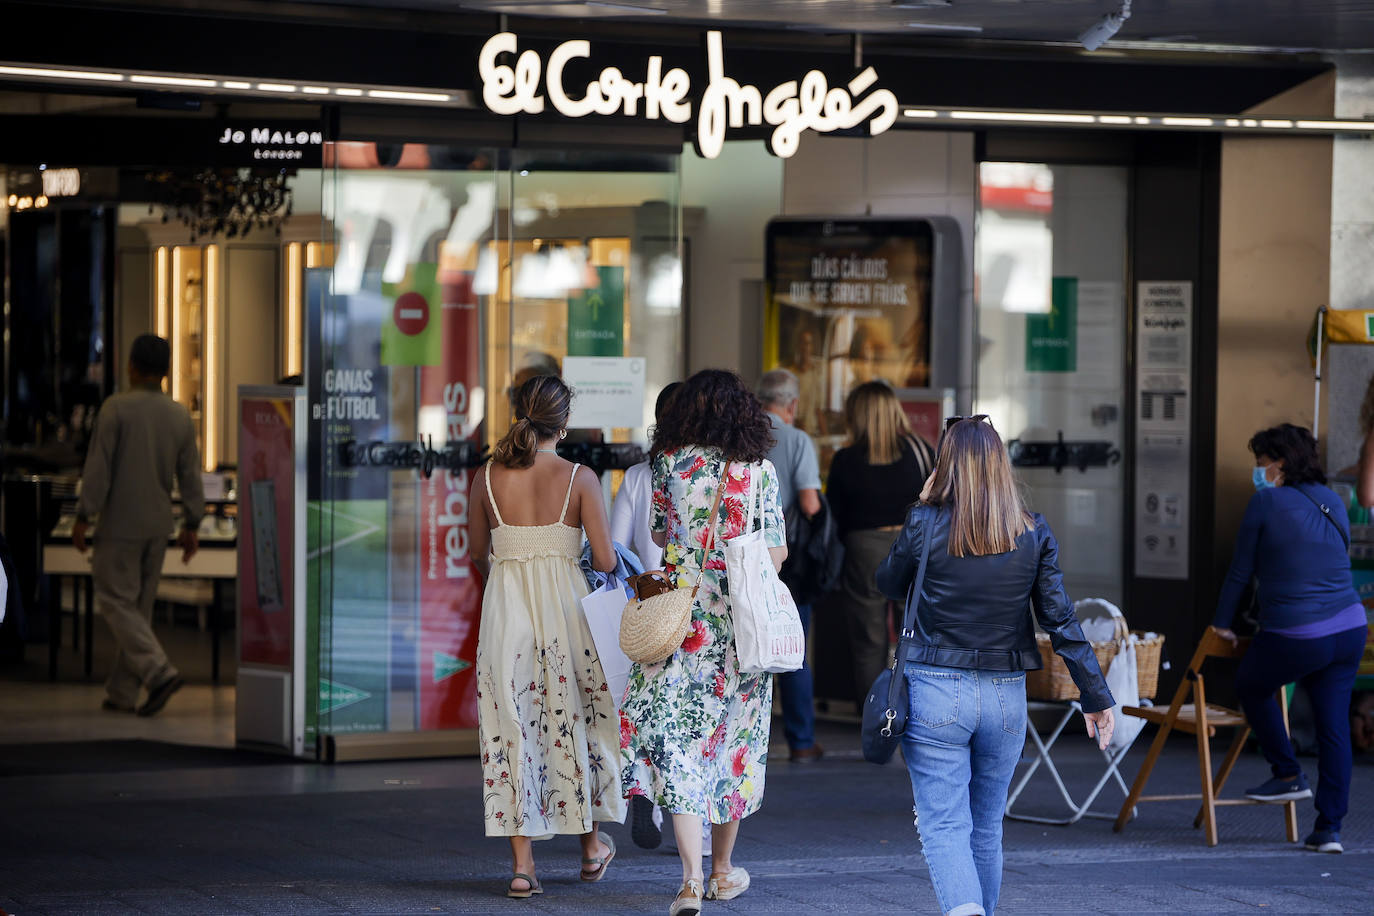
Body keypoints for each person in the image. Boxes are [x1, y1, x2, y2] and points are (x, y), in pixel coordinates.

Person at [877, 416, 1114, 916]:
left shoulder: (926, 521)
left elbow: (888, 582)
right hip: (1005, 697)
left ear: (946, 468)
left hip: (935, 690)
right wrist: (1095, 695)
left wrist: (920, 508)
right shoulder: (1031, 532)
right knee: (986, 826)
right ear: (999, 466)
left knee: (944, 826)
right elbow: (1061, 619)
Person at [620, 369, 787, 916]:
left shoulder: (669, 464)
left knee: (679, 745)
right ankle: (722, 871)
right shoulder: (758, 472)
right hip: (739, 627)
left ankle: (689, 881)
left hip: (680, 625)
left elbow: (664, 537)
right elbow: (776, 553)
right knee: (733, 747)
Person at [469, 375, 623, 898]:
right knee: (574, 719)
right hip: (566, 615)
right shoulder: (581, 477)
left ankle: (522, 866)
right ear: (565, 420)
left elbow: (476, 552)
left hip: (505, 614)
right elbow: (604, 560)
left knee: (509, 727)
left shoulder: (486, 476)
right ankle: (589, 848)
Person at [1214, 423, 1368, 855]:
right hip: (1350, 628)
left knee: (1251, 684)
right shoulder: (1334, 499)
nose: (1257, 471)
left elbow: (1240, 571)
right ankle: (1329, 829)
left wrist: (1222, 624)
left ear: (1279, 464)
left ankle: (1286, 772)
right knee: (1333, 726)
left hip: (1299, 632)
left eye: (1261, 463)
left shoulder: (1265, 502)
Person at [72, 334, 203, 717]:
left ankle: (159, 672)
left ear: (131, 366)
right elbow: (190, 477)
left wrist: (84, 515)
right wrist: (192, 523)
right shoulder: (180, 415)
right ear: (165, 372)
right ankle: (122, 692)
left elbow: (98, 471)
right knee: (139, 610)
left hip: (119, 523)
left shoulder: (116, 409)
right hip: (158, 525)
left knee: (114, 600)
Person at [609, 381, 695, 853]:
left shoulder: (640, 476)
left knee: (647, 710)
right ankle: (697, 835)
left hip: (652, 608)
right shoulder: (715, 474)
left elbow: (619, 548)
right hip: (700, 613)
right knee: (695, 719)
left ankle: (645, 794)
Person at [826, 380, 936, 708]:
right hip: (913, 543)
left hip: (864, 549)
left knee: (868, 640)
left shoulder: (845, 459)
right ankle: (916, 711)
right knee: (915, 634)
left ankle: (876, 719)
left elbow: (836, 515)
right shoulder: (920, 449)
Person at [756, 368, 824, 763]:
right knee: (791, 646)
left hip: (742, 557)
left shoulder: (743, 436)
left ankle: (754, 741)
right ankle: (801, 741)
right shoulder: (797, 440)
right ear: (792, 404)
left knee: (748, 645)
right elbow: (811, 504)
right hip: (785, 559)